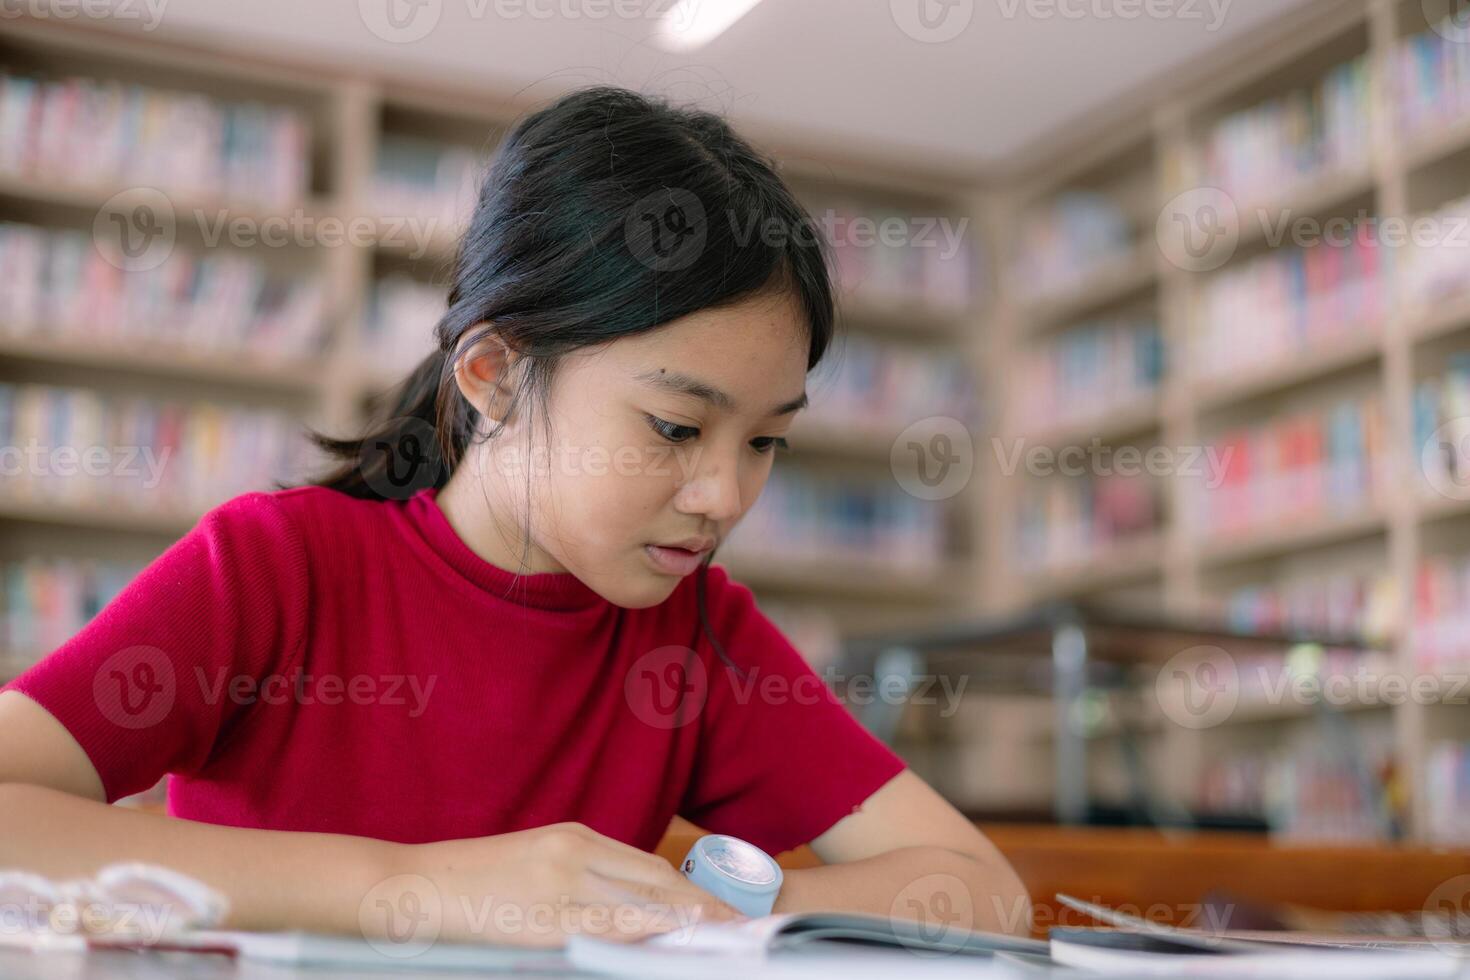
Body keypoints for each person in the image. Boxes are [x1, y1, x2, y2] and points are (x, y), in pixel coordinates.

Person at [0, 85, 1030, 947]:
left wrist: (686, 910)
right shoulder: (275, 567)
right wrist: (418, 888)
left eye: (765, 440)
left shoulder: (698, 636)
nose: (724, 495)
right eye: (677, 426)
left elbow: (982, 890)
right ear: (493, 374)